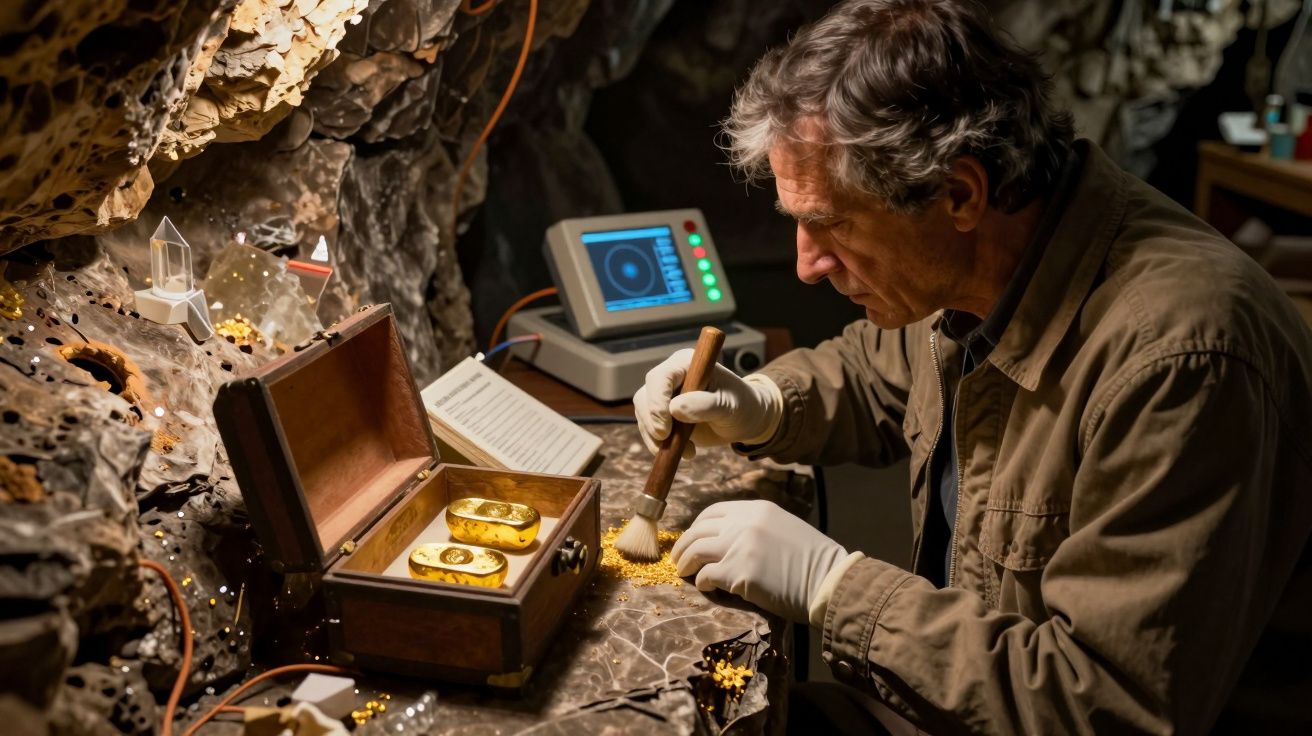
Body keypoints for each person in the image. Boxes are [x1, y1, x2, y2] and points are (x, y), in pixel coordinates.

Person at [633, 0, 1312, 732]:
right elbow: (877, 368)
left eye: (829, 224)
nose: (805, 264)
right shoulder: (982, 266)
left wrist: (836, 590)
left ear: (959, 193)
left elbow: (1105, 707)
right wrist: (764, 402)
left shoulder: (1182, 360)